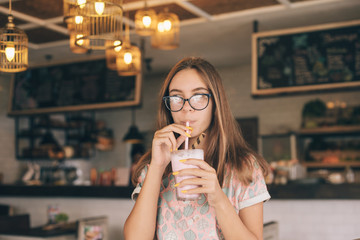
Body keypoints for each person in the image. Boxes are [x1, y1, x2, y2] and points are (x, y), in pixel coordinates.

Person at [124, 57, 270, 240]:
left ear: (215, 103)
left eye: (199, 96)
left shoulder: (244, 167)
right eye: (177, 98)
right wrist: (157, 167)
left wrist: (217, 197)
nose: (187, 108)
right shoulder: (154, 166)